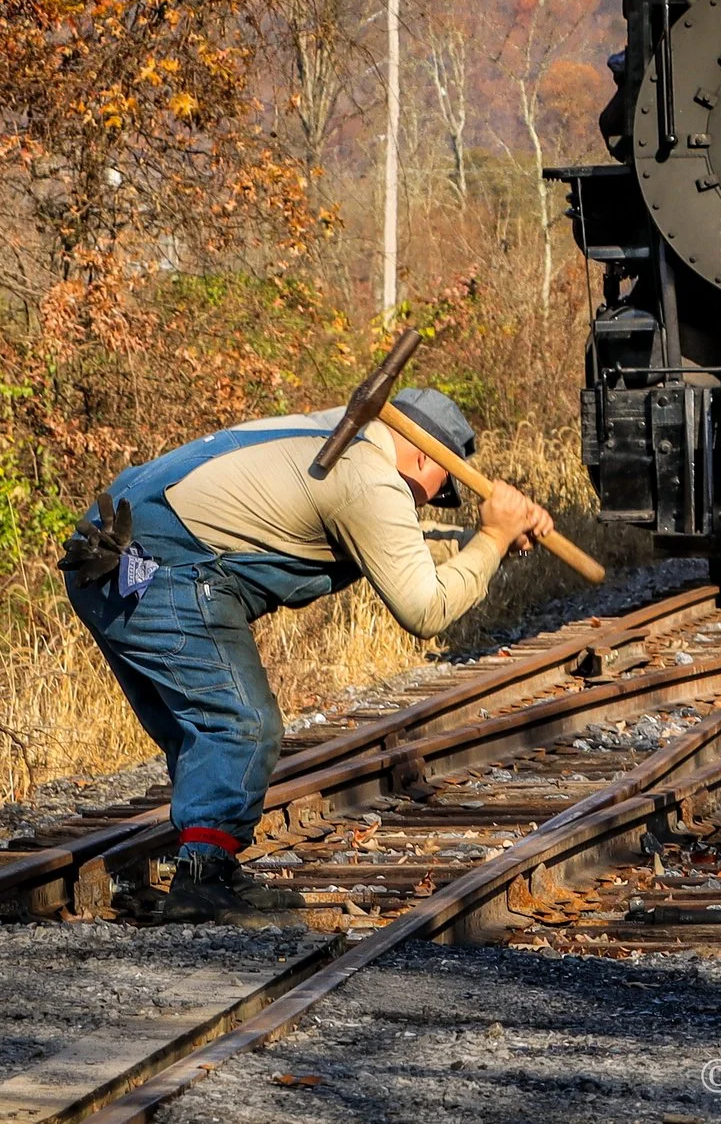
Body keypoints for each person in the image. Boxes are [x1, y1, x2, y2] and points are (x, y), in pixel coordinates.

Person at [61, 389, 553, 926]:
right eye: (439, 490)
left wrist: (497, 542)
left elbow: (406, 550)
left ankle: (211, 866)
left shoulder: (327, 432)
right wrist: (492, 537)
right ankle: (200, 885)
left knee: (196, 729)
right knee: (239, 725)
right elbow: (426, 609)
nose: (427, 504)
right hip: (159, 565)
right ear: (424, 457)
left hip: (103, 550)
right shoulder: (369, 476)